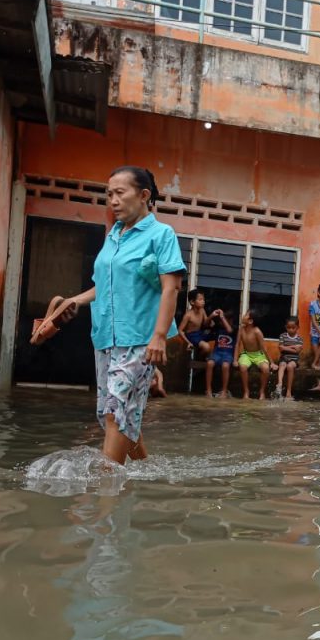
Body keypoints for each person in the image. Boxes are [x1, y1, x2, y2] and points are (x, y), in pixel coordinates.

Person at [53, 166, 184, 464]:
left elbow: (170, 288)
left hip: (140, 339)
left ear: (144, 195)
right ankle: (144, 471)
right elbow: (105, 286)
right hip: (105, 337)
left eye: (119, 193)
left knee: (116, 409)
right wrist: (75, 300)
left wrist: (159, 337)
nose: (112, 200)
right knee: (111, 413)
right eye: (108, 194)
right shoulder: (114, 235)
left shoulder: (161, 235)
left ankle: (106, 488)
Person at [235, 309, 272, 399]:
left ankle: (262, 391)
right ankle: (246, 391)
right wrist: (235, 360)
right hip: (246, 354)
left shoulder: (257, 331)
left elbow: (264, 348)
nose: (243, 316)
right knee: (242, 367)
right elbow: (237, 344)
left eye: (246, 315)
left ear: (250, 321)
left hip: (258, 355)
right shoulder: (241, 329)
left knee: (265, 368)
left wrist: (272, 362)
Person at [205, 308, 235, 398]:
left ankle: (224, 391)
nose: (222, 322)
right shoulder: (218, 328)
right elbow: (206, 325)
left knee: (225, 366)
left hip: (228, 354)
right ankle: (208, 390)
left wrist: (222, 317)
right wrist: (211, 316)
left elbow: (229, 330)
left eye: (226, 320)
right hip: (217, 352)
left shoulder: (234, 328)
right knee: (209, 363)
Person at [178, 288, 212, 358]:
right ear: (192, 302)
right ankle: (198, 357)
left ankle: (203, 355)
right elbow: (180, 330)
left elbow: (206, 323)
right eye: (200, 300)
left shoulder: (202, 310)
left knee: (215, 336)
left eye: (203, 299)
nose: (203, 302)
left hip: (200, 333)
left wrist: (211, 318)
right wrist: (188, 342)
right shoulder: (188, 315)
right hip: (191, 335)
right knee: (207, 347)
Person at [276, 316, 304, 400]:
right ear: (285, 327)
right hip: (284, 357)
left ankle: (289, 391)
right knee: (282, 364)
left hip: (294, 360)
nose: (291, 330)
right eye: (288, 328)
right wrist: (293, 347)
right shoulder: (283, 336)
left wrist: (286, 347)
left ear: (297, 327)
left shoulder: (300, 339)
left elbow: (297, 352)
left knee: (290, 366)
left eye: (293, 328)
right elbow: (281, 348)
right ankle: (279, 384)